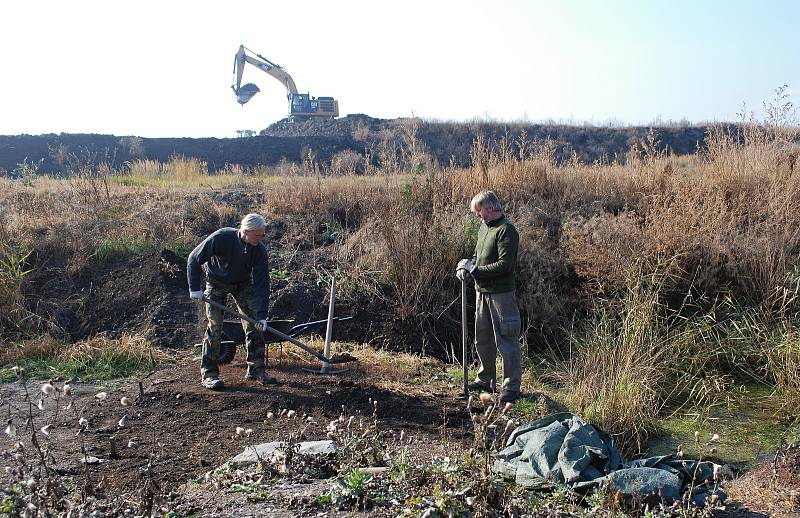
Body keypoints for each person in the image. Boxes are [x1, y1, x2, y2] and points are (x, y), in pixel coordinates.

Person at [187, 213, 276, 390]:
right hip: (216, 283)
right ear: (246, 231)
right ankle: (209, 373)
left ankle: (256, 370)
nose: (262, 238)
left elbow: (262, 284)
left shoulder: (259, 250)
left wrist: (262, 315)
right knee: (216, 326)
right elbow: (193, 259)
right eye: (258, 235)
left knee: (255, 325)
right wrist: (194, 288)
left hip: (242, 284)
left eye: (263, 234)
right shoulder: (222, 237)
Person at [456, 191, 522, 403]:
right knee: (482, 339)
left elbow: (505, 265)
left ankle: (511, 387)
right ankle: (486, 380)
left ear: (491, 208)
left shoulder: (507, 231)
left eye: (479, 210)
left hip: (501, 294)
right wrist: (466, 267)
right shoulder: (485, 228)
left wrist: (475, 270)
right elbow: (478, 256)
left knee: (506, 339)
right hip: (482, 292)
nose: (477, 214)